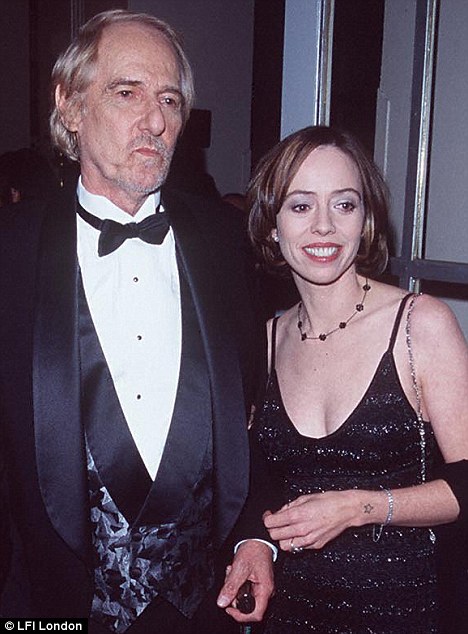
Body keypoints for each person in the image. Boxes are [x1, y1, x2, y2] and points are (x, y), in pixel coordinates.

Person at [0, 9, 274, 633]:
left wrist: (255, 537)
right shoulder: (9, 251)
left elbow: (254, 414)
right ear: (69, 105)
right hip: (53, 608)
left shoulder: (226, 241)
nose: (155, 121)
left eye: (170, 100)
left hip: (207, 608)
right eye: (128, 93)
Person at [238, 125, 468, 633]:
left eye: (344, 205)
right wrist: (254, 543)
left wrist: (358, 507)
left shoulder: (419, 324)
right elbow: (258, 482)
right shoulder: (265, 340)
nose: (324, 226)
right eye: (301, 206)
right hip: (290, 612)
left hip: (405, 612)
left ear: (364, 221)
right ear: (272, 225)